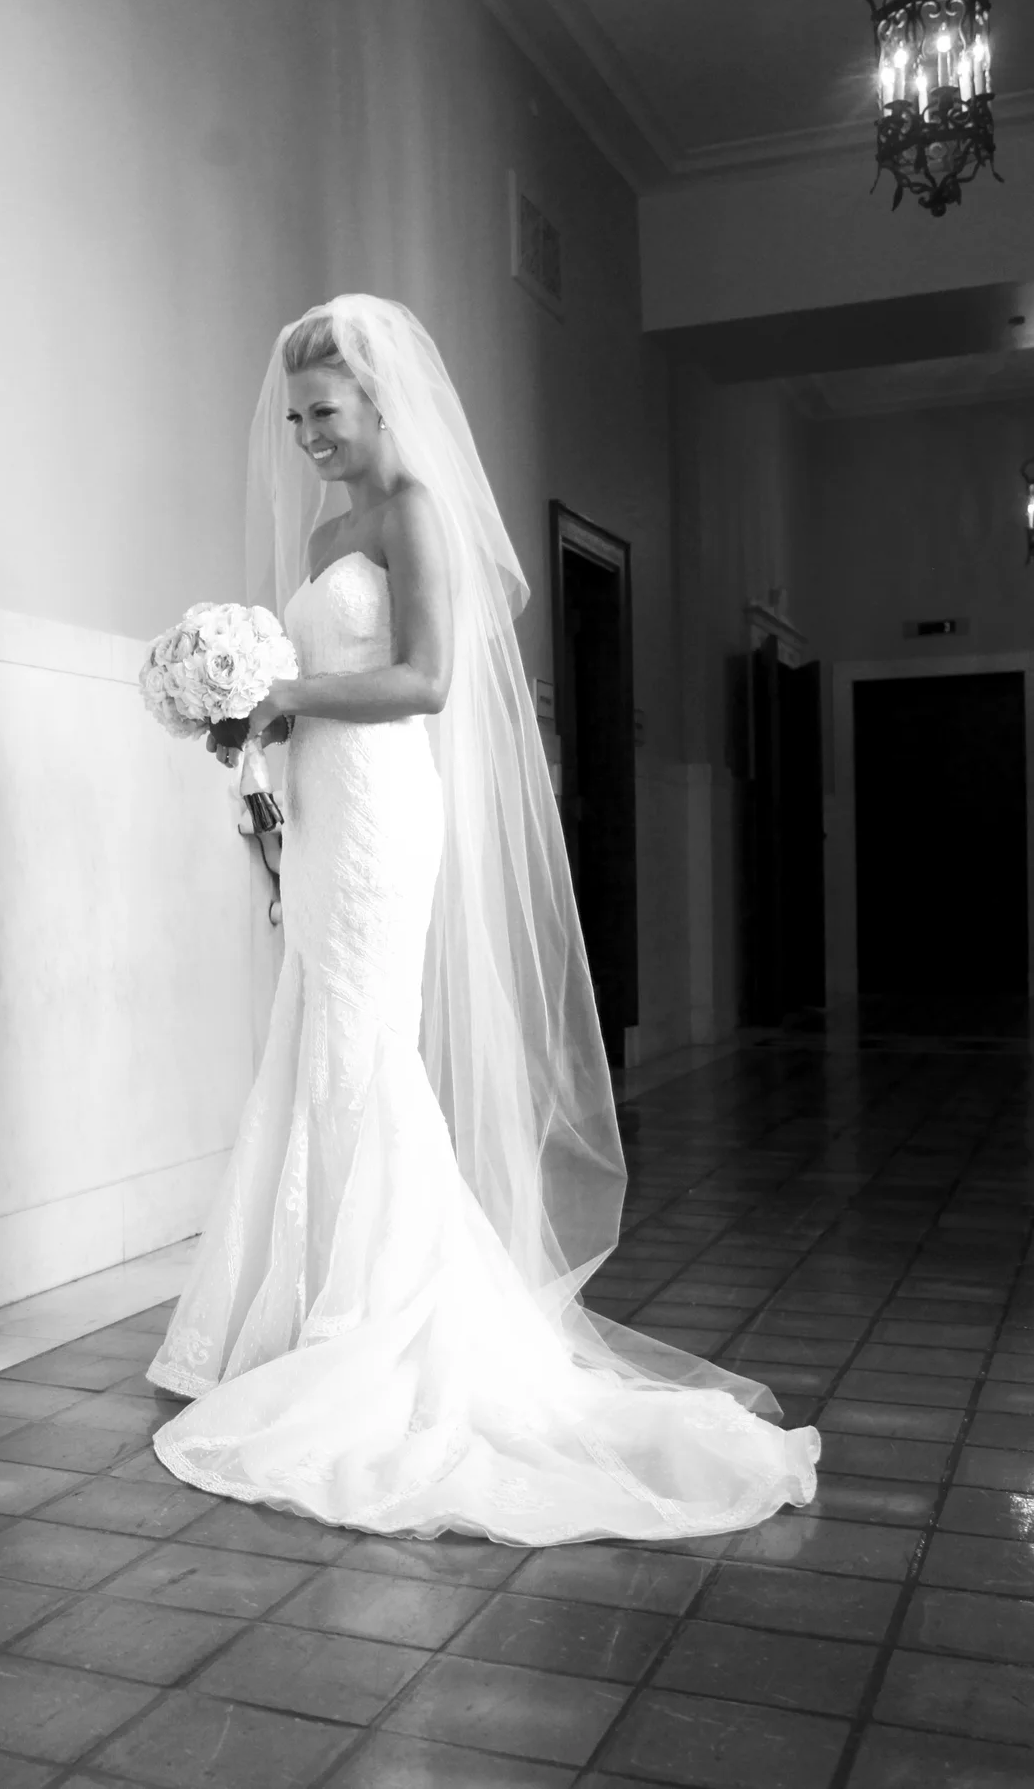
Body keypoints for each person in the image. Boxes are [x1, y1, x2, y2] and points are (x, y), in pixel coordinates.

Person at [147, 298, 820, 1543]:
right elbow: (329, 684)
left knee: (365, 1046)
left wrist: (288, 692)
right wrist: (254, 721)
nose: (308, 437)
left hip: (384, 810)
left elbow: (426, 679)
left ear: (378, 399)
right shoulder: (329, 527)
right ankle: (313, 1305)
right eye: (295, 419)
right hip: (324, 804)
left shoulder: (413, 512)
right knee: (320, 1036)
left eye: (324, 412)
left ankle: (382, 1318)